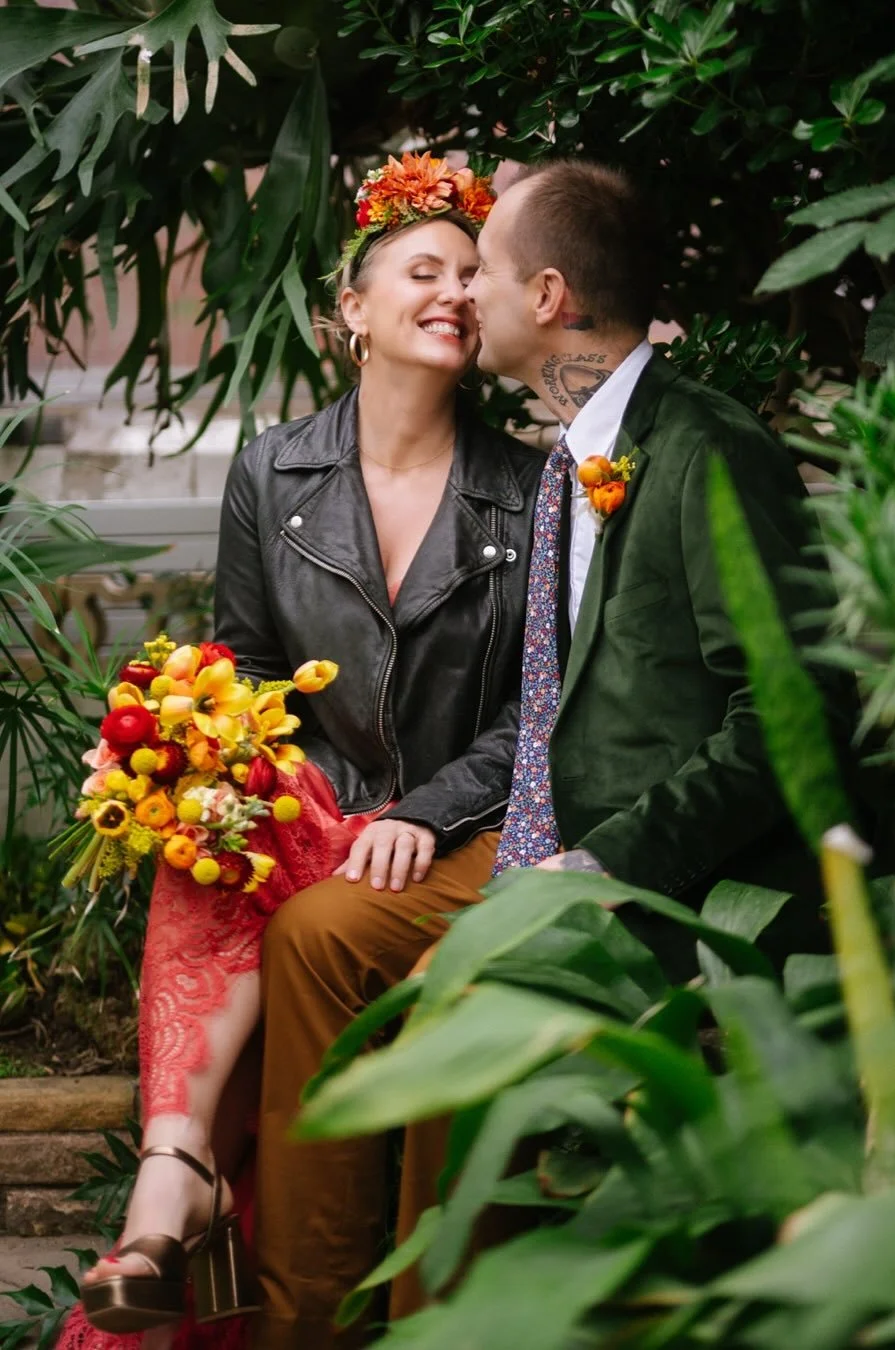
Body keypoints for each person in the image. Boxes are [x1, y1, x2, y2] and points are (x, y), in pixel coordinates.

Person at [254, 159, 857, 1346]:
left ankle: (452, 1329)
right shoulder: (573, 454)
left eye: (478, 272)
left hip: (652, 878)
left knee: (458, 1004)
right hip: (533, 844)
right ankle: (307, 1325)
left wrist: (609, 859)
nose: (462, 296)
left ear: (550, 294)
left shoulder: (704, 448)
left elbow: (790, 718)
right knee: (313, 937)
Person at [61, 152, 542, 1350]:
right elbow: (246, 669)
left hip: (453, 834)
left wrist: (424, 810)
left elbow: (532, 719)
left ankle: (178, 1195)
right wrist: (187, 768)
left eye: (471, 277)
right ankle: (179, 1177)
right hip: (311, 813)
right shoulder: (272, 469)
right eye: (421, 271)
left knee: (254, 873)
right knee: (200, 828)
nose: (452, 293)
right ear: (351, 315)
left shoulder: (531, 494)